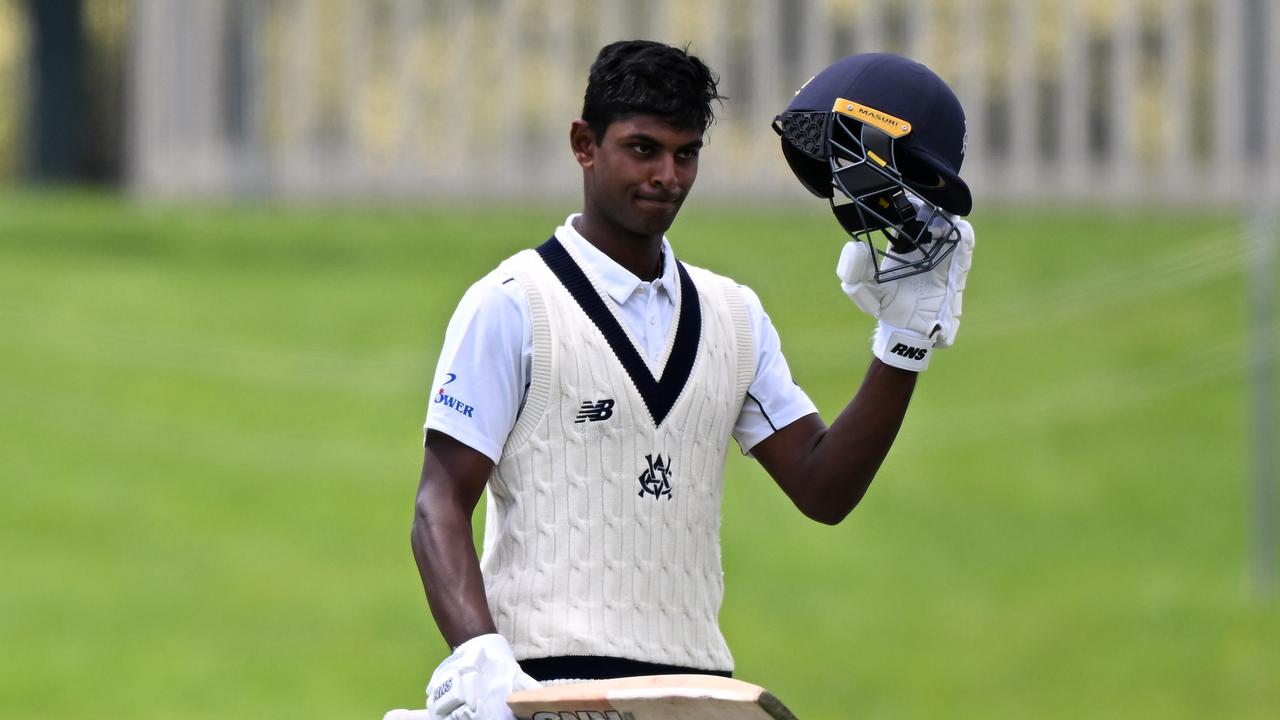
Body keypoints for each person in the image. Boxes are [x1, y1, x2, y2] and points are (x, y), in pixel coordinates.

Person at [410, 41, 975, 720]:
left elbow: (824, 489)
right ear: (584, 145)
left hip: (698, 692)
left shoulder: (734, 316)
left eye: (686, 154)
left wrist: (903, 345)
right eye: (643, 150)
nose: (667, 177)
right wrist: (477, 656)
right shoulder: (511, 303)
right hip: (548, 691)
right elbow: (439, 504)